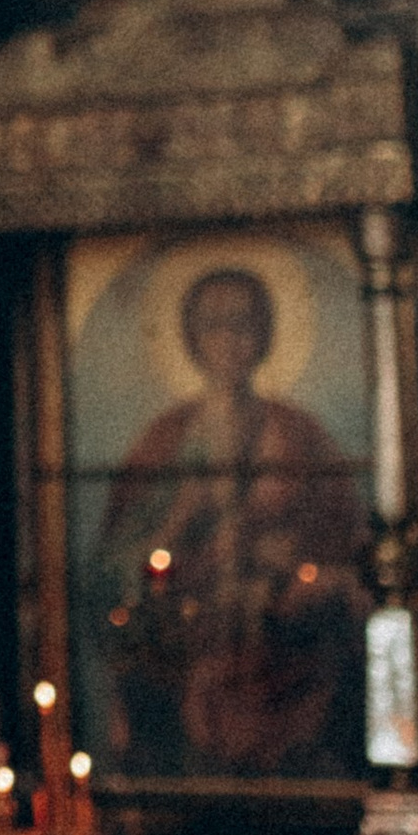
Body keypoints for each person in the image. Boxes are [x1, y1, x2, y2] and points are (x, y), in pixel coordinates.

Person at [97, 260, 368, 776]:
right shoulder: (164, 440)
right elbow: (113, 575)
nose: (229, 340)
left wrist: (304, 572)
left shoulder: (301, 435)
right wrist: (181, 520)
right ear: (190, 338)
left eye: (243, 324)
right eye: (213, 325)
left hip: (290, 650)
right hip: (186, 650)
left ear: (265, 334)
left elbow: (350, 553)